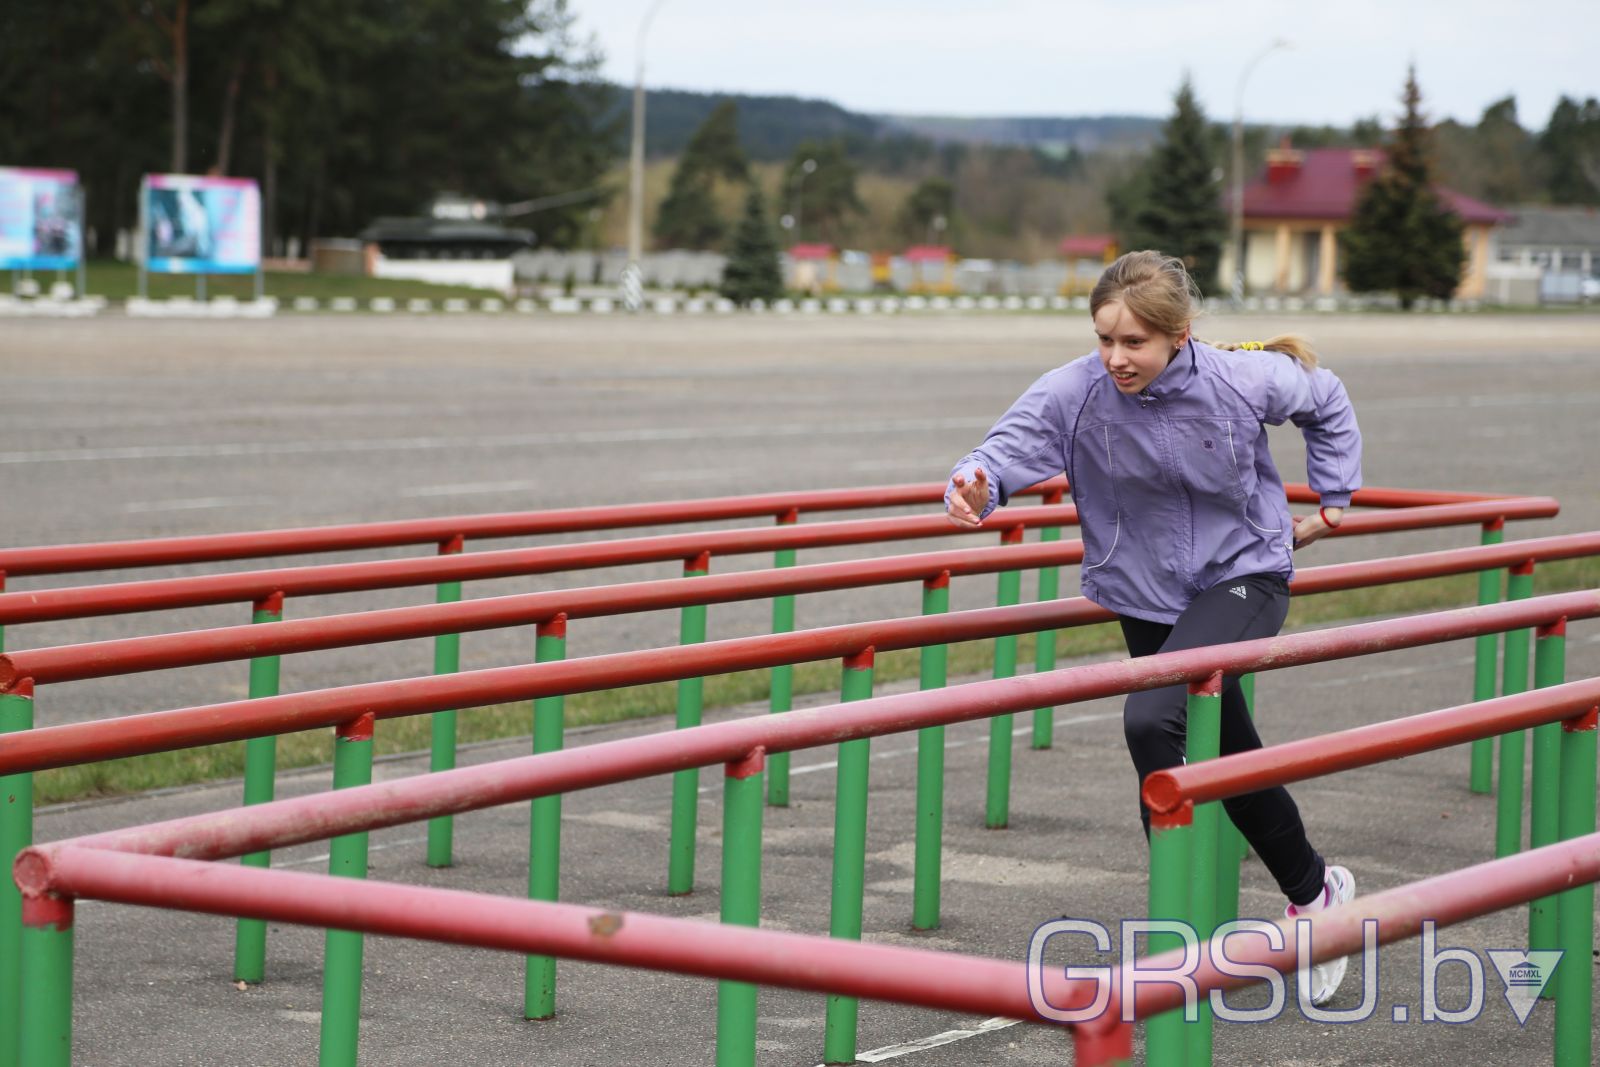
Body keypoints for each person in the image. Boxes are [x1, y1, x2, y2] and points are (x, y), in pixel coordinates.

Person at [945, 249, 1362, 1005]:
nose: (1116, 357)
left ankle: (1176, 941)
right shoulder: (1076, 390)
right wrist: (976, 482)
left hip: (1245, 573)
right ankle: (1314, 891)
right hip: (1145, 589)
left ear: (1179, 334)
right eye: (1105, 338)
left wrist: (1334, 496)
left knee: (1150, 717)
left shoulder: (1241, 378)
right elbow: (1005, 448)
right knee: (1225, 745)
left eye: (1134, 341)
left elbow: (1323, 398)